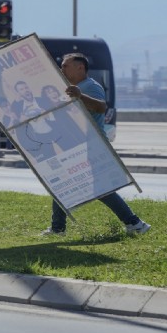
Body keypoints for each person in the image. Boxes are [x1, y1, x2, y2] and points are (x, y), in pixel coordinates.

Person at [43, 53, 151, 236]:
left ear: (80, 68)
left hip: (91, 145)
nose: (62, 69)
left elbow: (101, 107)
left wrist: (80, 96)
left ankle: (135, 223)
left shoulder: (90, 87)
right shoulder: (72, 88)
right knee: (62, 184)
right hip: (76, 146)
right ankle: (57, 228)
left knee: (100, 189)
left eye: (65, 66)